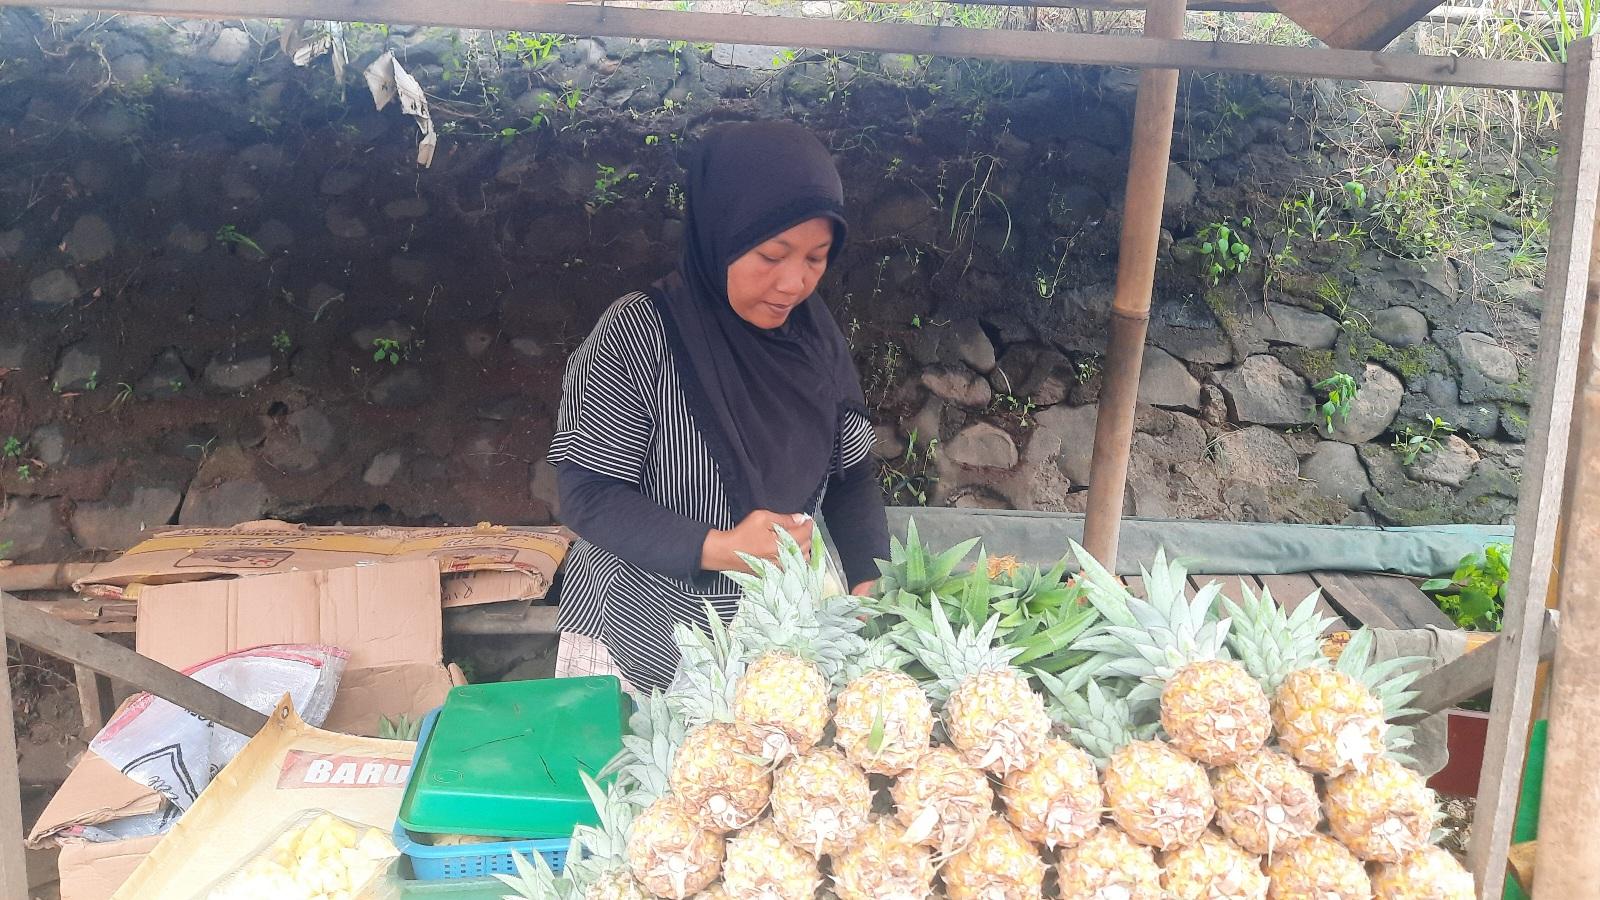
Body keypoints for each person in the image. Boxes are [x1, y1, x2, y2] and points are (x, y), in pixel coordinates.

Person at [547, 121, 890, 693]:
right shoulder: (639, 334)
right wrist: (720, 548)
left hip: (786, 637)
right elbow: (588, 496)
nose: (793, 283)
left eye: (816, 258)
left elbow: (853, 478)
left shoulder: (816, 341)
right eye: (771, 254)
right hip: (644, 632)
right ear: (720, 234)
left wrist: (867, 577)